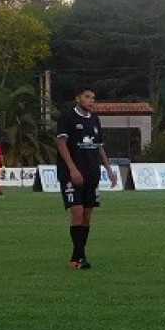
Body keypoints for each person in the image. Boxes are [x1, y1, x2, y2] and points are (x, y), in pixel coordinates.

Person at [55, 85, 118, 270]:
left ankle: (77, 256)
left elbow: (99, 147)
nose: (91, 100)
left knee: (87, 217)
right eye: (87, 97)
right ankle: (79, 257)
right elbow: (61, 143)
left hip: (92, 174)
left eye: (93, 98)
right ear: (78, 98)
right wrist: (73, 170)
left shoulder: (95, 120)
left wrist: (108, 169)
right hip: (71, 174)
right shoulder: (67, 117)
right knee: (77, 213)